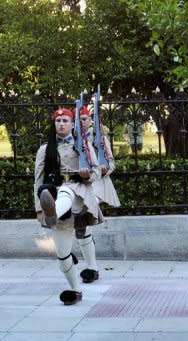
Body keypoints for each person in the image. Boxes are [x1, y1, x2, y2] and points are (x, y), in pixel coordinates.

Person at [34, 108, 103, 305]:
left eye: (65, 120)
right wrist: (40, 208)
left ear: (73, 124)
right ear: (54, 124)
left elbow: (98, 172)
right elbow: (38, 182)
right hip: (53, 196)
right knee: (62, 254)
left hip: (79, 193)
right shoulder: (45, 149)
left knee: (67, 191)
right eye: (58, 121)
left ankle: (53, 211)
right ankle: (75, 290)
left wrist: (86, 174)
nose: (61, 124)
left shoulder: (83, 146)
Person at [78, 107, 120, 283]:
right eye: (79, 119)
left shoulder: (100, 140)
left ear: (91, 121)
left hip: (98, 186)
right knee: (81, 226)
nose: (83, 122)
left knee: (83, 212)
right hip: (80, 186)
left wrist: (104, 170)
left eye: (85, 118)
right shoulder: (73, 141)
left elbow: (111, 163)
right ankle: (92, 268)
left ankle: (91, 268)